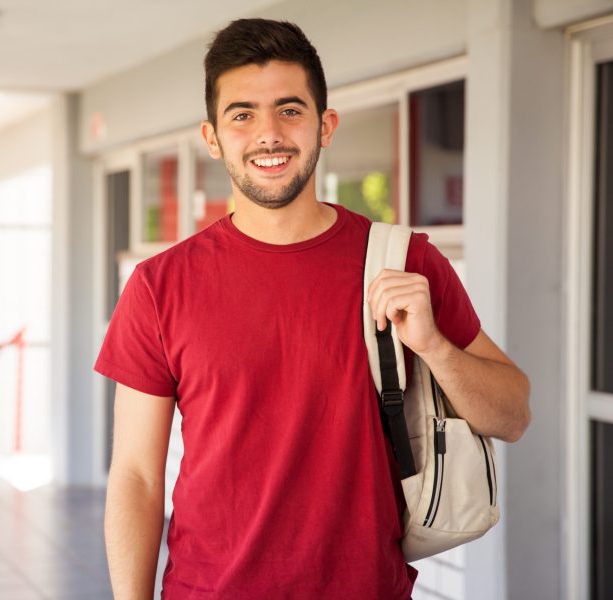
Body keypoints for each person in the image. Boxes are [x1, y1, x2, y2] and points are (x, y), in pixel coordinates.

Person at [95, 18, 530, 600]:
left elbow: (513, 416)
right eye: (242, 114)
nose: (268, 134)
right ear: (213, 137)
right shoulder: (159, 286)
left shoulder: (404, 262)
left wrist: (433, 347)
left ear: (325, 125)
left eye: (290, 110)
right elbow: (137, 477)